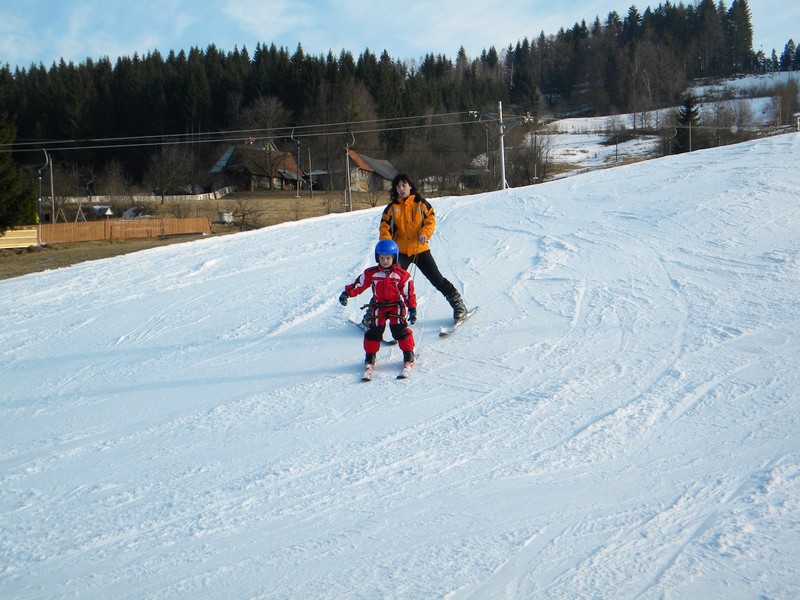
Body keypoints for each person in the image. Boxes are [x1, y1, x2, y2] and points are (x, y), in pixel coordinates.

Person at [378, 172, 467, 322]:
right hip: (400, 253)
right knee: (389, 283)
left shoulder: (421, 204)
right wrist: (388, 244)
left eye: (403, 185)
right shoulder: (392, 208)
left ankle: (458, 305)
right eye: (398, 186)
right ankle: (374, 316)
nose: (401, 189)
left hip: (421, 249)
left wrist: (424, 233)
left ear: (410, 186)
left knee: (437, 279)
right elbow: (384, 227)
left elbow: (430, 221)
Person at [339, 239, 416, 375]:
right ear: (377, 258)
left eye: (388, 258)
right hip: (378, 306)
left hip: (395, 305)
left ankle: (408, 354)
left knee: (399, 330)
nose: (385, 261)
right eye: (382, 258)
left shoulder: (402, 275)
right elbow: (359, 285)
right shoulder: (371, 273)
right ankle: (370, 357)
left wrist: (412, 309)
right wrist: (347, 293)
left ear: (394, 258)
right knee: (374, 332)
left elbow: (408, 293)